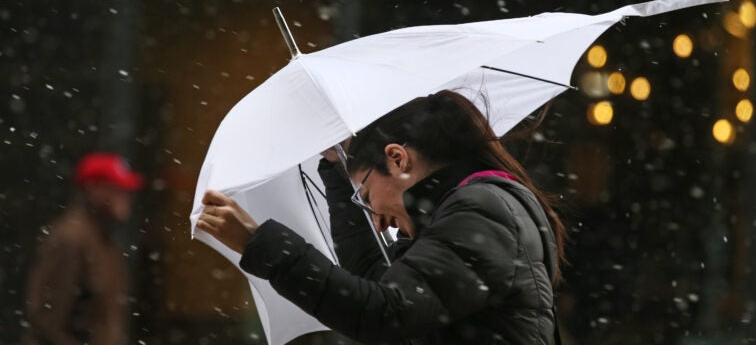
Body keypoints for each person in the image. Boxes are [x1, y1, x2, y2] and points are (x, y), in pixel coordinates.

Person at [197, 90, 566, 344]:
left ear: (397, 159)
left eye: (366, 196)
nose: (375, 220)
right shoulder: (468, 208)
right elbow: (373, 284)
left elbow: (383, 313)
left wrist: (261, 245)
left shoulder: (479, 210)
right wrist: (337, 169)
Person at [25, 152, 143, 345]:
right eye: (117, 189)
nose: (126, 197)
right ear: (94, 189)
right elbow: (48, 323)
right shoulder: (70, 239)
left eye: (127, 191)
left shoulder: (105, 242)